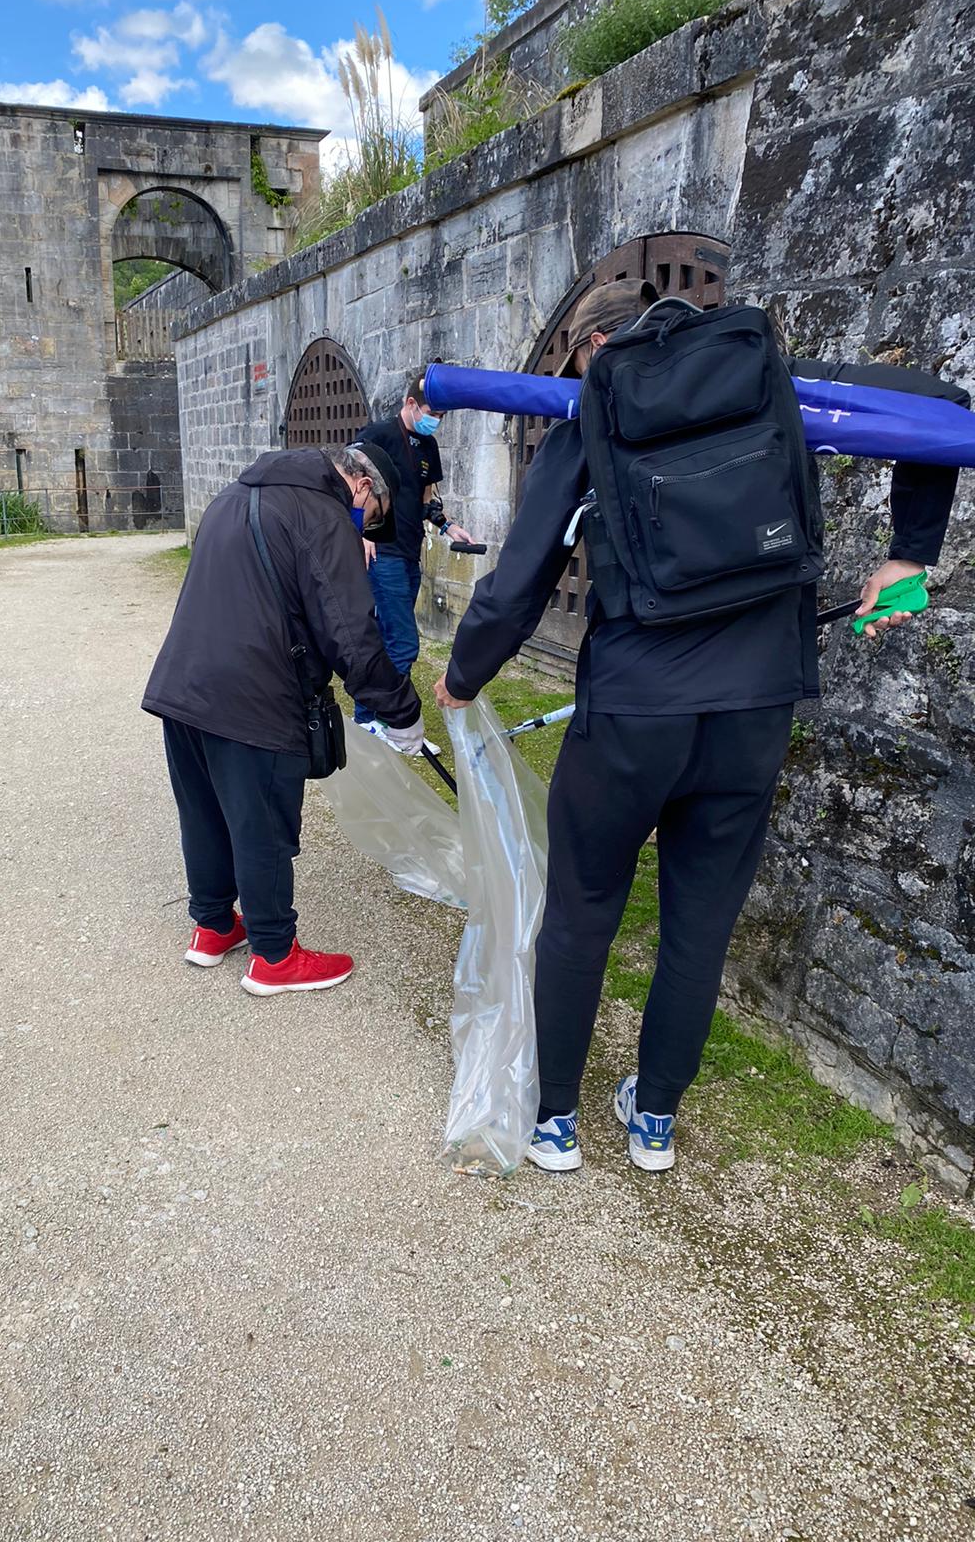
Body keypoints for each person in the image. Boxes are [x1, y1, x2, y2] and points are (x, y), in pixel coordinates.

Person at [435, 279, 965, 1174]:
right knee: (698, 920)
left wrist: (463, 676)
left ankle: (556, 1119)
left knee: (582, 908)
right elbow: (941, 407)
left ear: (593, 352)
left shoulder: (590, 421)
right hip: (753, 711)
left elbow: (519, 579)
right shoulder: (775, 388)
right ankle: (654, 1123)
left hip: (633, 715)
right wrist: (908, 552)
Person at [143, 442, 425, 996]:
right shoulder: (323, 516)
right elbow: (350, 634)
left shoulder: (235, 493)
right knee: (262, 824)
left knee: (205, 812)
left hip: (183, 682)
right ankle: (274, 955)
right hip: (254, 694)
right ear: (364, 488)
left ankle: (214, 926)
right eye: (372, 522)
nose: (365, 533)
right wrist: (401, 711)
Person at [353, 369, 480, 723]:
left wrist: (449, 526)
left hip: (410, 552)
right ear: (411, 404)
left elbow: (426, 500)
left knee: (384, 637)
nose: (435, 421)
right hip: (383, 551)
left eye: (440, 416)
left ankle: (368, 717)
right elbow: (351, 486)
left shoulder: (428, 446)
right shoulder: (377, 436)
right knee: (404, 642)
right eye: (432, 414)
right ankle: (390, 719)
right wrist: (359, 531)